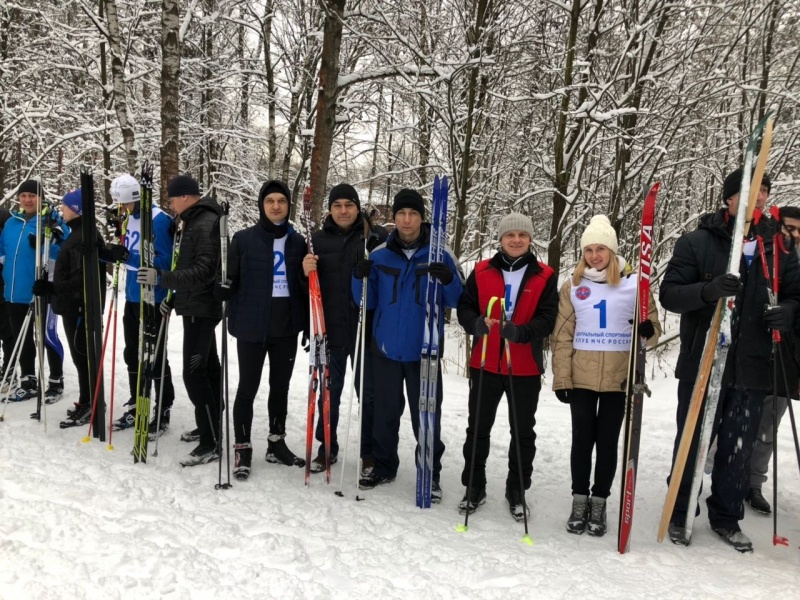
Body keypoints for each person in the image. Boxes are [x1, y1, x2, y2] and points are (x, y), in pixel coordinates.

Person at [659, 168, 800, 552]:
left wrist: (787, 311)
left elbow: (796, 295)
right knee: (692, 442)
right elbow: (669, 294)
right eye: (748, 194)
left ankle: (726, 514)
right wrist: (708, 290)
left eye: (763, 195)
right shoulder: (698, 242)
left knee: (739, 444)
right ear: (729, 199)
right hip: (703, 360)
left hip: (752, 364)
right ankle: (680, 510)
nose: (757, 201)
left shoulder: (780, 248)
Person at [551, 215, 661, 536]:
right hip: (581, 379)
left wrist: (647, 330)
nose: (595, 255)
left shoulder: (633, 285)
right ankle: (579, 498)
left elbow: (652, 333)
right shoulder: (572, 286)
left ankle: (599, 501)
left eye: (601, 249)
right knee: (582, 441)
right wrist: (562, 378)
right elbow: (561, 337)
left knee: (608, 443)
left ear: (612, 251)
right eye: (589, 249)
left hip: (619, 380)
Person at [353, 188, 464, 502]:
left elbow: (458, 300)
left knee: (426, 414)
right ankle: (384, 466)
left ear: (421, 218)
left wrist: (448, 280)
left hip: (423, 351)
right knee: (384, 413)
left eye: (413, 213)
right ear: (394, 217)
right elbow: (364, 300)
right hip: (386, 348)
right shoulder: (379, 254)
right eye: (401, 213)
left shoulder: (441, 255)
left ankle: (430, 472)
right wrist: (356, 277)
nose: (406, 219)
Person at [456, 213, 557, 521]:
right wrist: (476, 323)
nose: (516, 240)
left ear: (530, 240)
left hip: (524, 366)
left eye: (522, 236)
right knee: (478, 428)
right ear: (500, 239)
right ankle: (474, 485)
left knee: (523, 431)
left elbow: (548, 317)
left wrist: (522, 332)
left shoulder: (544, 274)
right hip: (486, 361)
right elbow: (464, 307)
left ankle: (517, 489)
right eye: (510, 235)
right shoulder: (482, 270)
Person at [216, 179, 308, 479]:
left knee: (280, 388)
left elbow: (303, 286)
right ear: (262, 205)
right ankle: (242, 446)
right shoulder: (243, 239)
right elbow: (230, 277)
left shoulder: (298, 242)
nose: (276, 206)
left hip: (285, 327)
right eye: (270, 201)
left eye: (281, 201)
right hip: (251, 326)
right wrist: (225, 288)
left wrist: (304, 322)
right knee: (247, 388)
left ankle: (276, 442)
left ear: (288, 205)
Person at [301, 183, 387, 475]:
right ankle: (327, 447)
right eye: (337, 206)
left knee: (369, 394)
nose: (343, 211)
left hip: (366, 330)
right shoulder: (317, 241)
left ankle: (369, 453)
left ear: (357, 207)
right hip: (331, 331)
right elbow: (306, 290)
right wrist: (306, 271)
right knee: (329, 392)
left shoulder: (374, 238)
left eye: (349, 205)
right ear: (330, 210)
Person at [138, 175, 222, 466]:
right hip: (193, 306)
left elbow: (204, 270)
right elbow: (186, 265)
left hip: (203, 308)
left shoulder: (205, 222)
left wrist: (162, 277)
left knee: (194, 373)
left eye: (172, 198)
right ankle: (210, 427)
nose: (171, 204)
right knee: (209, 369)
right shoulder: (193, 221)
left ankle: (211, 442)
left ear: (185, 196)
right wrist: (172, 298)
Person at [32, 189, 127, 424]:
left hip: (79, 308)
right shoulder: (78, 233)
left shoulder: (83, 236)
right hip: (73, 306)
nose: (62, 210)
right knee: (81, 357)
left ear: (76, 210)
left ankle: (90, 403)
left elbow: (81, 278)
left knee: (83, 357)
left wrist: (51, 287)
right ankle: (87, 401)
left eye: (66, 206)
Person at [109, 173, 176, 439]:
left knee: (155, 356)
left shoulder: (159, 221)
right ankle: (138, 401)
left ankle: (164, 406)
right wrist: (112, 253)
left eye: (124, 204)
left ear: (136, 198)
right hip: (133, 296)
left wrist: (130, 255)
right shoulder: (130, 217)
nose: (122, 209)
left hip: (154, 298)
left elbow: (167, 261)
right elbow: (128, 254)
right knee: (132, 353)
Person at [746, 204, 800, 514]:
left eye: (798, 230)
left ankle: (754, 482)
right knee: (738, 420)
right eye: (789, 228)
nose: (793, 234)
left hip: (788, 357)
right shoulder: (769, 253)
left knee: (768, 426)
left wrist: (790, 312)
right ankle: (726, 472)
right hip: (755, 348)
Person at [0, 180, 66, 403]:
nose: (27, 199)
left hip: (42, 290)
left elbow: (63, 253)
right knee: (22, 338)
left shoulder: (51, 220)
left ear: (41, 197)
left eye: (32, 195)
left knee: (47, 337)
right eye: (24, 195)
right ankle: (29, 381)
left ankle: (56, 380)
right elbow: (3, 255)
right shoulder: (11, 223)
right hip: (14, 292)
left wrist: (49, 241)